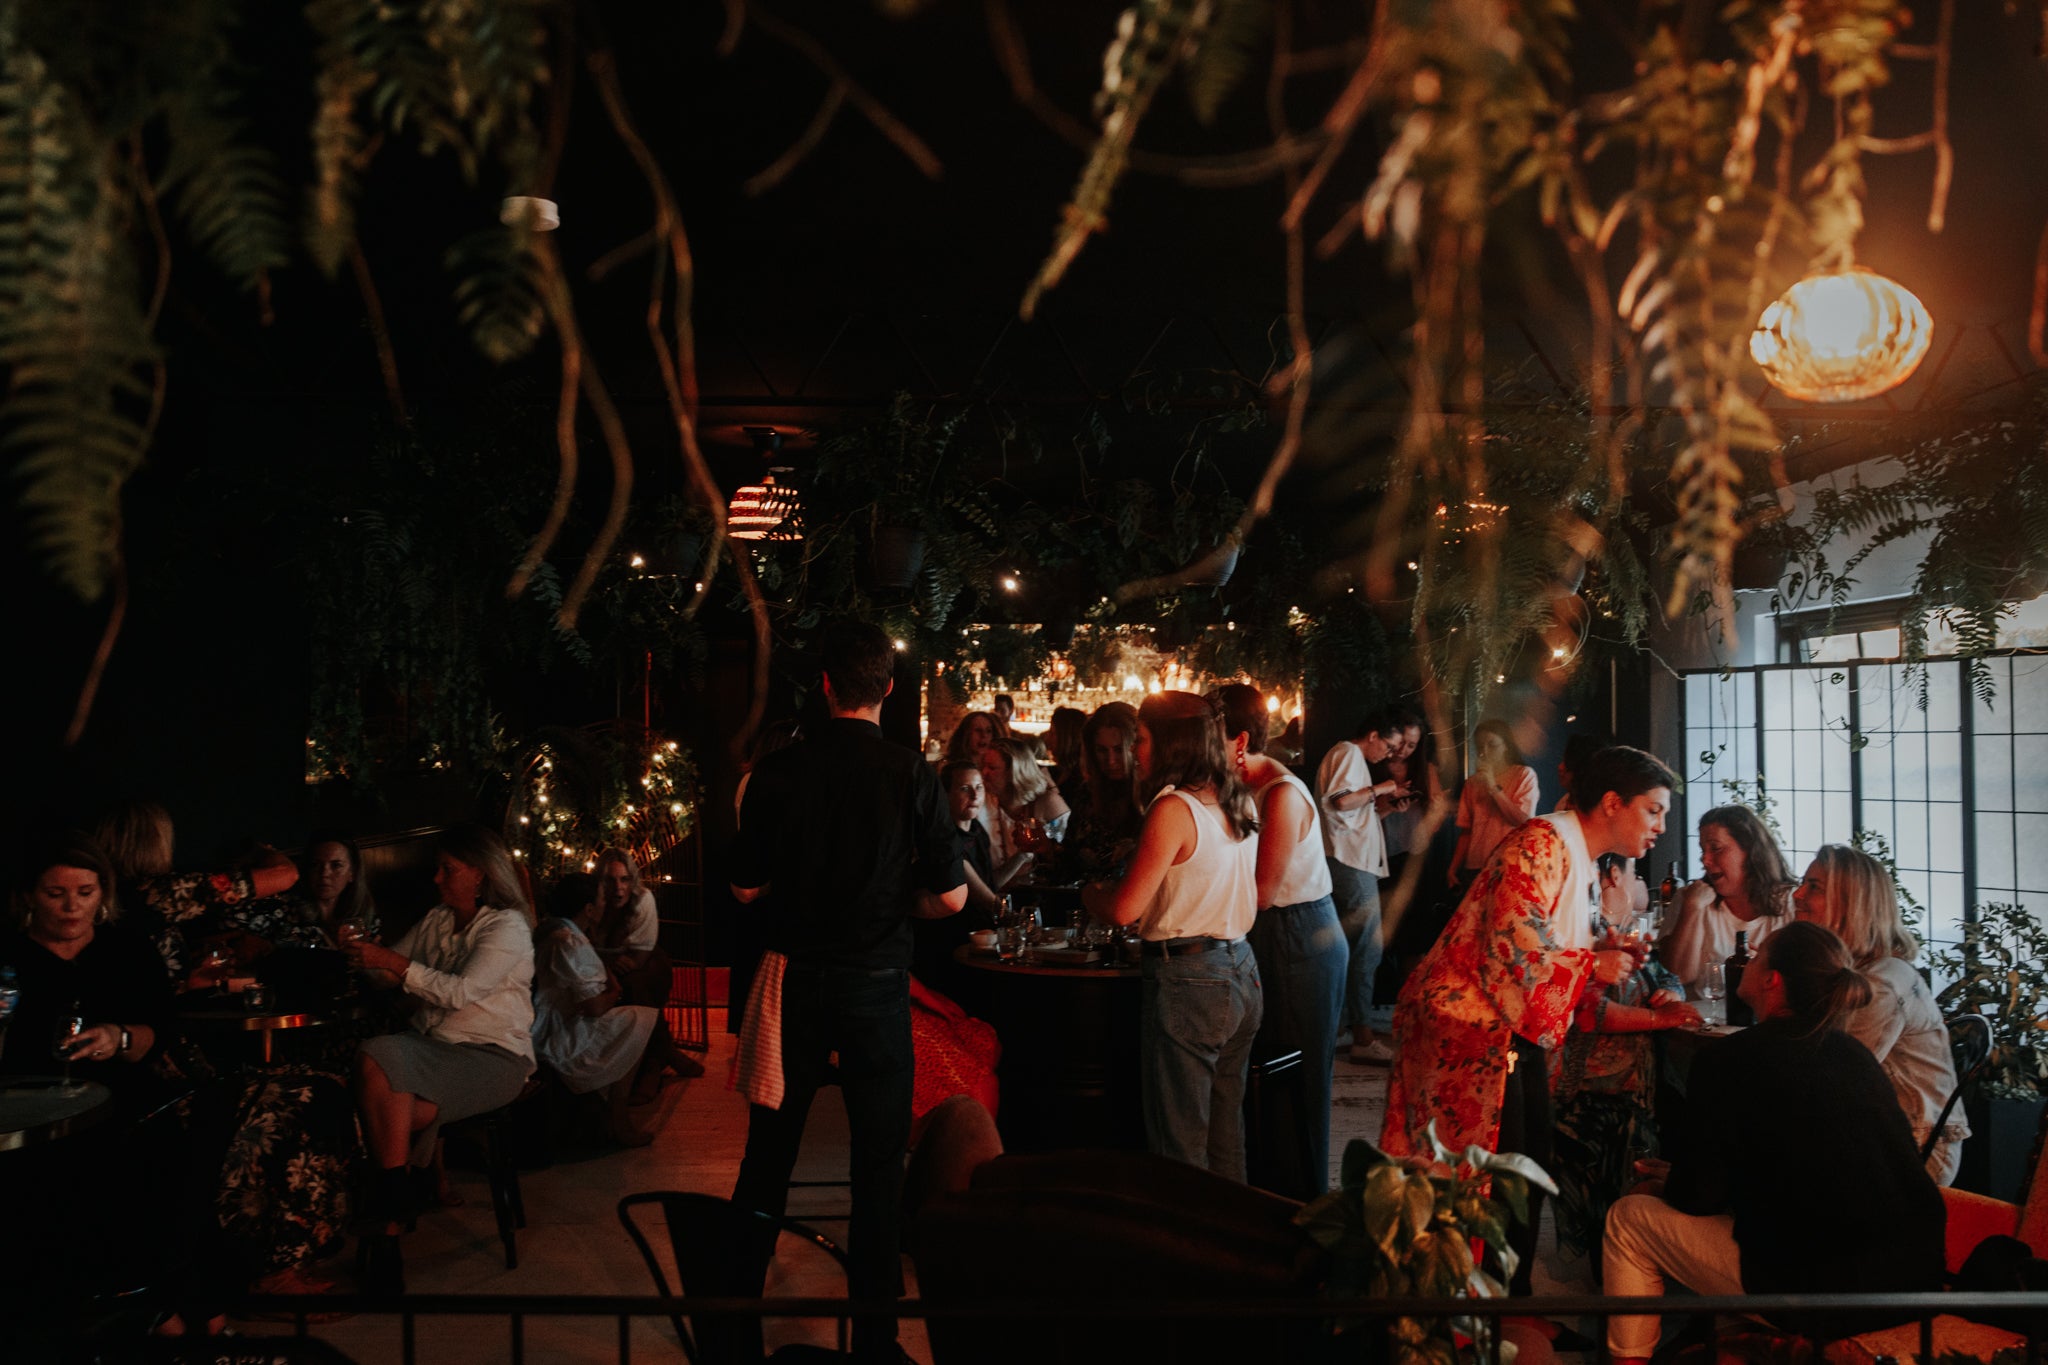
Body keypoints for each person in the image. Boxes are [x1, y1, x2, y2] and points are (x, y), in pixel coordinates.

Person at [730, 620, 967, 1362]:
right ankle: (874, 1339)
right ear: (887, 689)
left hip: (794, 983)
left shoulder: (777, 772)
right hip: (876, 986)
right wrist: (897, 904)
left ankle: (731, 1320)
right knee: (877, 1166)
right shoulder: (910, 773)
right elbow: (953, 898)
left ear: (825, 685)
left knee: (769, 1154)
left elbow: (744, 888)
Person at [1381, 745, 1670, 1295]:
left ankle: (1509, 1306)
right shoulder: (1541, 842)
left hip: (1506, 1032)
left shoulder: (1576, 853)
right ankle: (1473, 1314)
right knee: (1488, 1182)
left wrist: (1598, 952)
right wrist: (1591, 964)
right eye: (1653, 810)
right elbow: (1513, 944)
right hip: (1467, 1032)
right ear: (1613, 803)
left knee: (1526, 1171)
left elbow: (1545, 945)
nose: (1660, 827)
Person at [1602, 921, 1947, 1362]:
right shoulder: (1855, 1055)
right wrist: (1685, 1177)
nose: (1747, 957)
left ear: (1772, 980)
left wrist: (1668, 1183)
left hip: (1823, 1293)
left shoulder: (1726, 1060)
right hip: (1915, 1281)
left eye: (1759, 953)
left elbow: (1698, 1198)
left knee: (1629, 1218)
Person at [343, 825, 538, 1295]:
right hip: (434, 1049)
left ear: (480, 874)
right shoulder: (436, 919)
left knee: (378, 1065)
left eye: (448, 869)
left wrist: (390, 962)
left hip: (493, 1057)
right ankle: (393, 1213)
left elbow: (459, 992)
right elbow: (391, 974)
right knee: (389, 1082)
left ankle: (387, 1223)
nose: (436, 878)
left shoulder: (506, 927)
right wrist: (360, 956)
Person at [1083, 691, 1262, 1180]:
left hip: (1191, 978)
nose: (1134, 750)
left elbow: (1125, 909)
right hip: (1241, 969)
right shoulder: (1236, 796)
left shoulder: (1173, 808)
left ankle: (1184, 1230)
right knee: (1225, 1137)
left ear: (1170, 743)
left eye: (1140, 739)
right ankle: (1230, 1226)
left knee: (1178, 1144)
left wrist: (1091, 894)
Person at [1218, 684, 1345, 1198]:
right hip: (1274, 932)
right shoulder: (1240, 787)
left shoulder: (1283, 793)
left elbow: (1264, 892)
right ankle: (1272, 1196)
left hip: (1300, 935)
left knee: (1301, 1079)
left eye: (1210, 737)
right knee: (1266, 1077)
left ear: (1240, 741)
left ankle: (1305, 1205)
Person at [1793, 842, 1968, 1184]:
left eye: (1814, 887)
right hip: (1871, 1132)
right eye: (1803, 883)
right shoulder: (1849, 971)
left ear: (1853, 904)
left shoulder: (1882, 983)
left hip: (1916, 1146)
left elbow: (1836, 1078)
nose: (1797, 894)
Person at [1549, 930, 1698, 1270]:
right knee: (1595, 1183)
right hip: (1587, 1094)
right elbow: (1588, 1012)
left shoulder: (1625, 954)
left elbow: (1669, 978)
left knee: (1635, 1173)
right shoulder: (1577, 952)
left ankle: (1625, 1261)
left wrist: (1669, 994)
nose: (1617, 933)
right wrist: (1659, 1019)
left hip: (1638, 1093)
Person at [93, 800, 300, 984]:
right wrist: (262, 850)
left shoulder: (101, 890)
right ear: (157, 843)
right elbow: (286, 874)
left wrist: (190, 980)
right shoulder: (162, 892)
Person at [530, 872, 667, 1145]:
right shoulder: (569, 941)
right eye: (602, 899)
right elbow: (593, 1007)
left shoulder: (551, 931)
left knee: (633, 1016)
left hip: (550, 1023)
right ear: (589, 909)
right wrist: (615, 992)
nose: (607, 903)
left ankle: (611, 1112)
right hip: (557, 1034)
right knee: (639, 1019)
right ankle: (619, 1117)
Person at [1317, 711, 1409, 1065]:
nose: (1389, 754)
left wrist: (1386, 808)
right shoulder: (1348, 753)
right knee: (1368, 948)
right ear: (1373, 735)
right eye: (1389, 746)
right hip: (1350, 863)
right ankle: (1363, 1036)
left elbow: (1351, 815)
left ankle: (1343, 1027)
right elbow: (1340, 801)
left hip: (1351, 861)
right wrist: (1382, 788)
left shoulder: (1349, 757)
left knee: (1350, 948)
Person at [1661, 805, 1795, 988]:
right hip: (1698, 1008)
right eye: (1702, 850)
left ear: (1749, 850)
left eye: (1716, 848)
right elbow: (1678, 976)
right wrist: (1691, 909)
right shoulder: (1690, 898)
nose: (1705, 860)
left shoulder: (1790, 902)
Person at [1447, 720, 1540, 894]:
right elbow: (1467, 831)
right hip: (1475, 865)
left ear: (1506, 746)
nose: (1485, 751)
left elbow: (1523, 821)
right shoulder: (1472, 783)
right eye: (1480, 746)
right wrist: (1453, 867)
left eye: (1492, 745)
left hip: (1508, 863)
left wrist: (1493, 787)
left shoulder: (1523, 775)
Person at [1060, 702, 1143, 880]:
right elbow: (1068, 860)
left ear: (1135, 747)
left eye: (1119, 750)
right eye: (1102, 750)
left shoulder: (1152, 794)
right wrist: (1046, 849)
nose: (1111, 760)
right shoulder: (1087, 793)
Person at [978, 737, 1070, 865]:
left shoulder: (1049, 804)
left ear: (1014, 772)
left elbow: (1064, 855)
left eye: (992, 768)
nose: (984, 773)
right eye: (983, 766)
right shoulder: (981, 802)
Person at [1047, 705, 1087, 786]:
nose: (1047, 737)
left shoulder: (1082, 778)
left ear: (1067, 738)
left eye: (1053, 733)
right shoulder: (1059, 771)